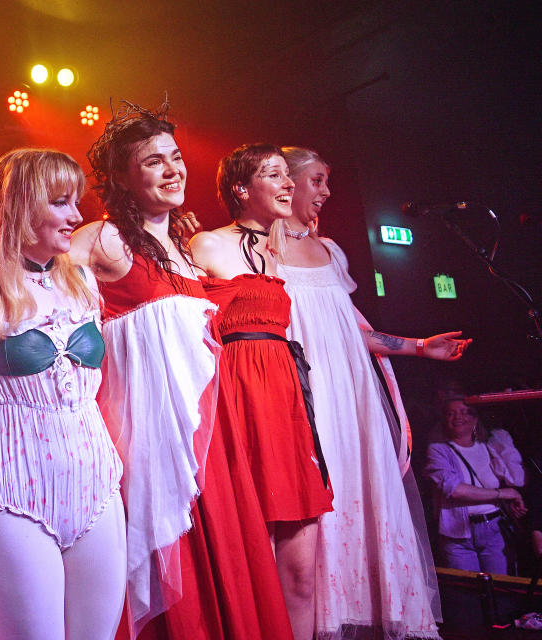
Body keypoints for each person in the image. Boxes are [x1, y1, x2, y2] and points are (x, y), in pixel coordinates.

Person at [71, 105, 293, 640]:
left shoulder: (180, 247)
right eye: (153, 162)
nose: (173, 169)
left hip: (212, 439)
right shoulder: (104, 239)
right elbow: (30, 266)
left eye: (175, 156)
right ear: (122, 178)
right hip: (154, 443)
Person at [0, 148, 126, 640]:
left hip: (96, 488)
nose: (76, 215)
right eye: (61, 202)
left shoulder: (81, 281)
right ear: (20, 205)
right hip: (13, 493)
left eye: (76, 201)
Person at [278, 145, 470, 638]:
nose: (324, 191)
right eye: (316, 180)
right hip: (303, 387)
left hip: (349, 388)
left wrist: (420, 347)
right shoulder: (257, 249)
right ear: (286, 181)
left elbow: (352, 330)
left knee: (361, 489)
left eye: (326, 181)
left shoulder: (331, 251)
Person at [190, 143, 334, 640]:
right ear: (241, 188)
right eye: (275, 175)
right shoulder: (205, 244)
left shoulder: (278, 251)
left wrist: (416, 347)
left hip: (286, 399)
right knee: (250, 562)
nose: (290, 184)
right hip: (234, 398)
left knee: (301, 565)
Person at [426, 397, 526, 575]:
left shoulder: (490, 447)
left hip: (494, 530)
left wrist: (510, 502)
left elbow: (511, 481)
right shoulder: (438, 451)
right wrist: (502, 494)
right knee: (469, 594)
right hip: (456, 536)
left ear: (475, 418)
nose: (458, 417)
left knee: (501, 588)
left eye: (464, 412)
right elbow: (455, 490)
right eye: (451, 413)